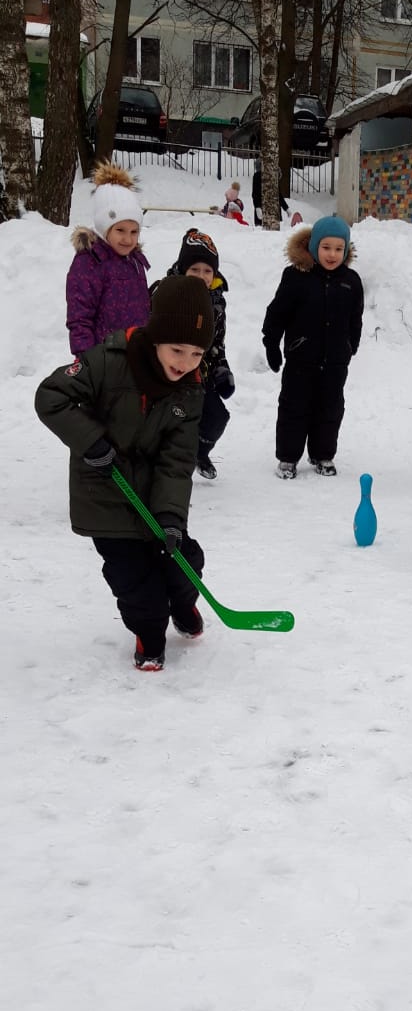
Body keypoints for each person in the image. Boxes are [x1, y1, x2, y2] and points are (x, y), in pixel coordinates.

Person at [35, 275, 215, 671]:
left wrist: (170, 517)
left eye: (197, 355)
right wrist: (92, 442)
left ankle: (183, 604)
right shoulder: (107, 361)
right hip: (107, 496)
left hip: (151, 496)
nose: (185, 363)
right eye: (177, 350)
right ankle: (150, 634)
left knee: (185, 559)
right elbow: (51, 396)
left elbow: (177, 460)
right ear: (155, 336)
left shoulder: (190, 389)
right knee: (137, 584)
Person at [262, 214, 363, 479]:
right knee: (294, 408)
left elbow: (356, 318)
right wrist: (271, 343)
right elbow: (277, 313)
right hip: (300, 358)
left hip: (335, 362)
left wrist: (351, 345)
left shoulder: (351, 282)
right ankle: (288, 457)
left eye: (339, 248)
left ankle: (322, 454)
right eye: (326, 247)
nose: (332, 254)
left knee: (330, 409)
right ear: (314, 246)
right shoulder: (297, 277)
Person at [158, 228, 234, 481]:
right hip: (168, 373)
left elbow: (218, 342)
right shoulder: (165, 294)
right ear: (182, 270)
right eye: (194, 270)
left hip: (201, 373)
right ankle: (163, 465)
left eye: (207, 271)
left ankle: (199, 453)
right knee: (173, 421)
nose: (201, 276)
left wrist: (222, 368)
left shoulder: (216, 302)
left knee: (217, 418)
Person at [66, 162, 150, 356]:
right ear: (104, 227)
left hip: (134, 356)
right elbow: (80, 319)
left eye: (134, 231)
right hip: (103, 361)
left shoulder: (135, 261)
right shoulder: (89, 262)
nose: (128, 239)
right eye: (120, 230)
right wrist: (87, 363)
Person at [252, 162, 290, 227]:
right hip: (262, 210)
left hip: (275, 212)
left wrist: (286, 208)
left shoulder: (274, 177)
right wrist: (257, 207)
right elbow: (255, 194)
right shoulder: (257, 176)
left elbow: (279, 195)